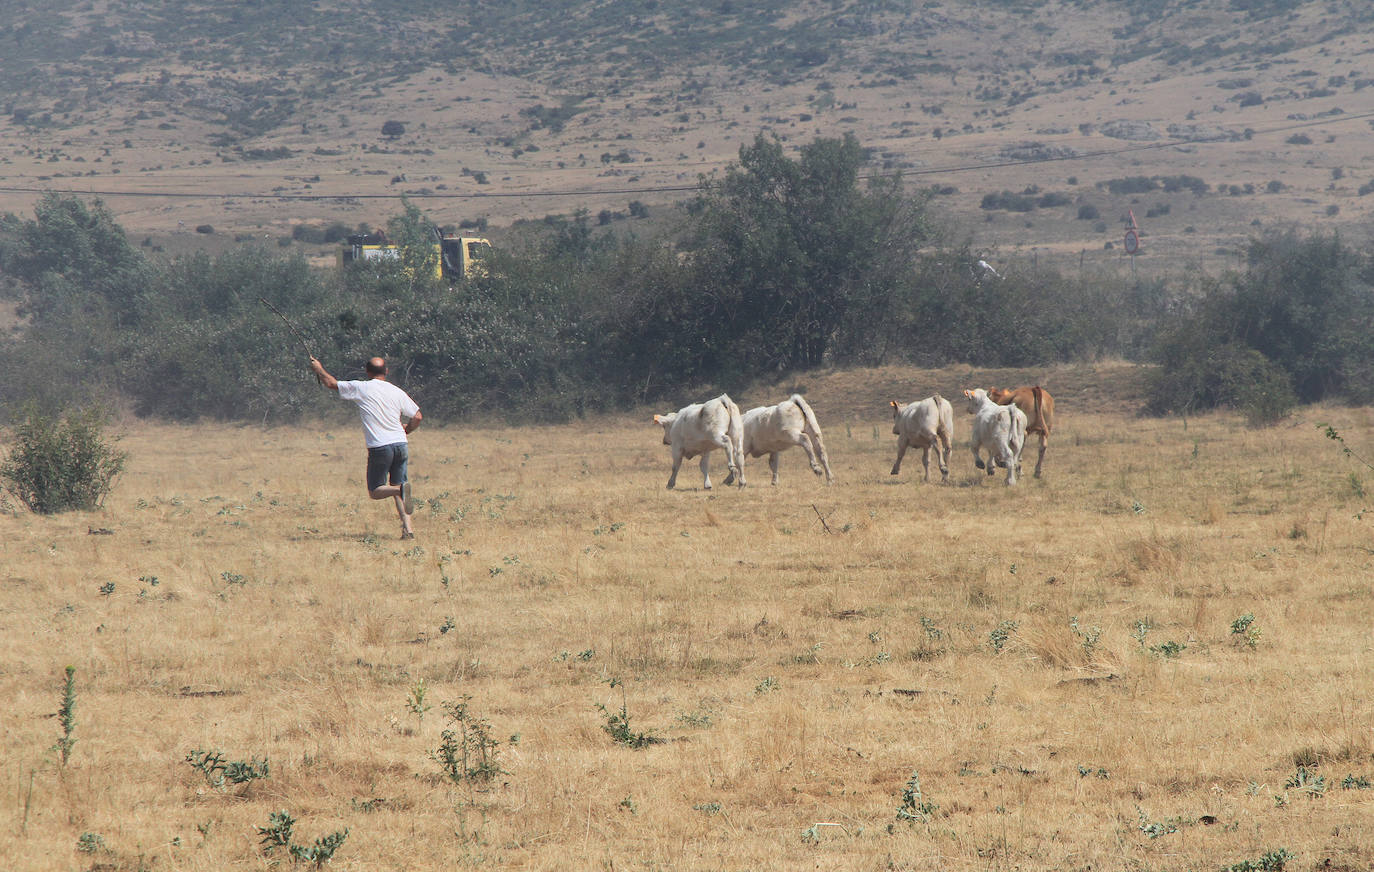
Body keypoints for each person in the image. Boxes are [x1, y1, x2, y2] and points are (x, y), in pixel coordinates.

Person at [310, 355, 422, 539]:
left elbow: (331, 383)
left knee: (376, 491)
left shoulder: (362, 388)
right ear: (386, 372)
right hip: (401, 444)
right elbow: (417, 417)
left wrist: (319, 369)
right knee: (399, 483)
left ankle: (400, 490)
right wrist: (407, 430)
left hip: (380, 446)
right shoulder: (396, 391)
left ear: (368, 372)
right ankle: (408, 530)